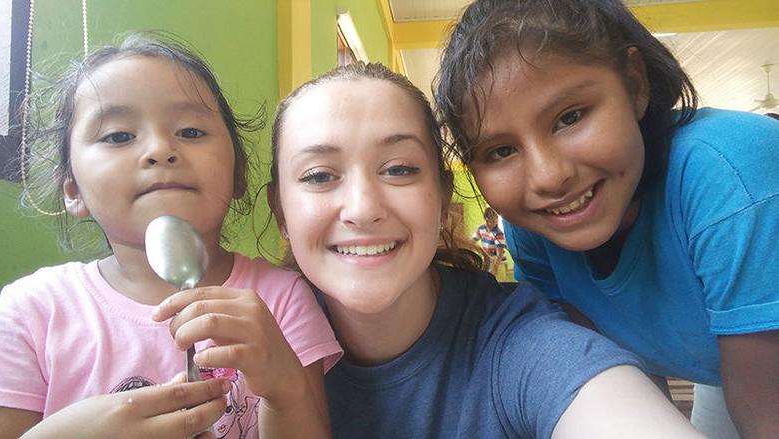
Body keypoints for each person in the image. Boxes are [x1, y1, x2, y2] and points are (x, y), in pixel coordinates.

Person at [267, 61, 703, 438]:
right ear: (281, 212)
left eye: (399, 169)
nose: (362, 209)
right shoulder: (243, 350)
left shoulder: (517, 342)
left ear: (442, 198)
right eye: (320, 176)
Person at [434, 1, 779, 438]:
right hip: (731, 373)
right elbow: (623, 391)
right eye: (501, 151)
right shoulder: (533, 234)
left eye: (569, 117)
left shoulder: (731, 176)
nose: (548, 177)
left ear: (635, 83)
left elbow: (766, 417)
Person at [0, 33, 341, 439]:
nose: (160, 150)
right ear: (73, 191)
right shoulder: (30, 312)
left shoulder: (282, 299)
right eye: (118, 136)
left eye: (191, 132)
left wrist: (286, 392)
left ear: (238, 174)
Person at [471, 206, 508, 277]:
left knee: (498, 283)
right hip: (487, 261)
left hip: (498, 263)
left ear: (497, 220)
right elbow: (472, 242)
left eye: (494, 221)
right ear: (485, 218)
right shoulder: (481, 228)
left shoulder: (498, 233)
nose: (490, 224)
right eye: (487, 221)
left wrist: (495, 269)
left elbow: (499, 255)